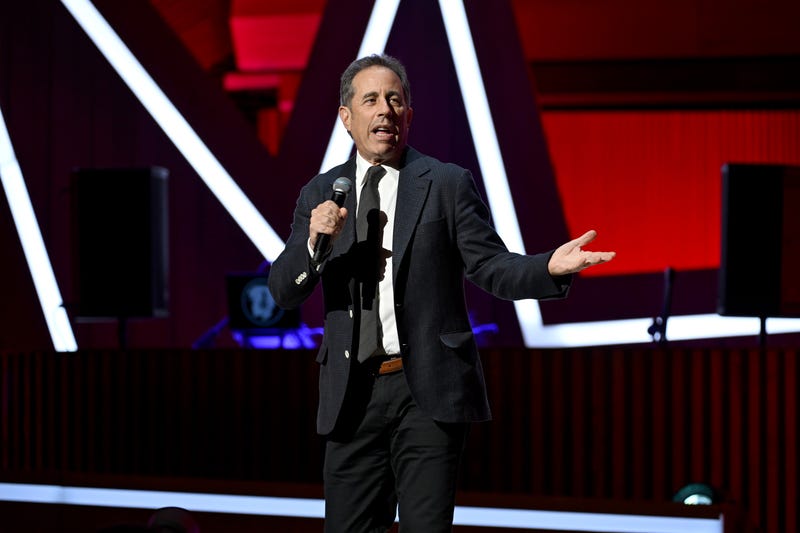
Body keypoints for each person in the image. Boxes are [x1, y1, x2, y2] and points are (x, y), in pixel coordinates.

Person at [268, 53, 615, 532]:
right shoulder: (322, 193)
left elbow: (491, 266)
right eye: (371, 100)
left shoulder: (446, 183)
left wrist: (547, 268)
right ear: (347, 118)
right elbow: (283, 292)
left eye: (395, 100)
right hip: (351, 396)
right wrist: (312, 242)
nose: (385, 110)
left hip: (426, 390)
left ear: (409, 115)